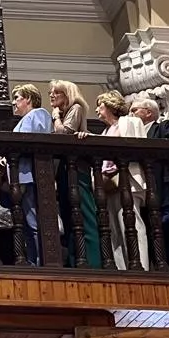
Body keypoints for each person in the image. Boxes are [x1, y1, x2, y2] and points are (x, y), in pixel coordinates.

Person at [49, 80, 102, 268]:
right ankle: (75, 262)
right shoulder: (63, 114)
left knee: (84, 216)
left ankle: (93, 263)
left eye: (56, 92)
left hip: (77, 170)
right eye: (51, 92)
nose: (52, 95)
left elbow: (63, 133)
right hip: (64, 171)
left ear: (67, 94)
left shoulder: (76, 108)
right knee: (70, 219)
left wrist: (56, 117)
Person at [133, 94, 169, 271]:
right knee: (154, 242)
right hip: (146, 196)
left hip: (165, 193)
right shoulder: (133, 133)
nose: (131, 114)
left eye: (134, 110)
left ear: (148, 113)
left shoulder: (163, 126)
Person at [95, 91, 148, 270]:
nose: (97, 110)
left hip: (127, 178)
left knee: (132, 225)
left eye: (100, 106)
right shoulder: (105, 131)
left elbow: (136, 144)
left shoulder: (129, 122)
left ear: (111, 106)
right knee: (115, 231)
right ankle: (122, 268)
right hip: (109, 183)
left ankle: (140, 267)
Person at [7, 84, 54, 265]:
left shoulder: (38, 113)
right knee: (26, 225)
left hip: (31, 175)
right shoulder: (25, 119)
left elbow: (31, 141)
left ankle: (43, 263)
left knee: (34, 223)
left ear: (28, 98)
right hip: (22, 176)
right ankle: (33, 262)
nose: (13, 102)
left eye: (17, 98)